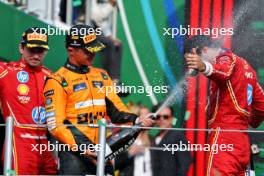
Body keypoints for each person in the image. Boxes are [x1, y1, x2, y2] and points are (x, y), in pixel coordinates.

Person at [43, 24, 155, 175]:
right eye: (88, 50)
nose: (93, 54)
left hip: (103, 151)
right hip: (75, 155)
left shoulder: (102, 75)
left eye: (95, 49)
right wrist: (84, 148)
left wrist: (137, 120)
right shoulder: (56, 80)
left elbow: (117, 110)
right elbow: (56, 124)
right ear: (71, 50)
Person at [184, 35, 264, 175]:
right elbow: (262, 107)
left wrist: (203, 66)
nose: (192, 68)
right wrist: (245, 122)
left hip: (223, 138)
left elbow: (224, 72)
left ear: (203, 50)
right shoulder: (248, 68)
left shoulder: (225, 58)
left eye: (192, 60)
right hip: (242, 142)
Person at [0, 27, 57, 174]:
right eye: (32, 50)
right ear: (21, 48)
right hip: (19, 144)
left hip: (45, 145)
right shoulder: (6, 71)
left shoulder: (51, 76)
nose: (36, 55)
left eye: (40, 51)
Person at [151, 104, 191, 176]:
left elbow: (184, 164)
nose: (161, 119)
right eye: (158, 117)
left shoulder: (178, 136)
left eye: (165, 117)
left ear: (172, 119)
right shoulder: (155, 138)